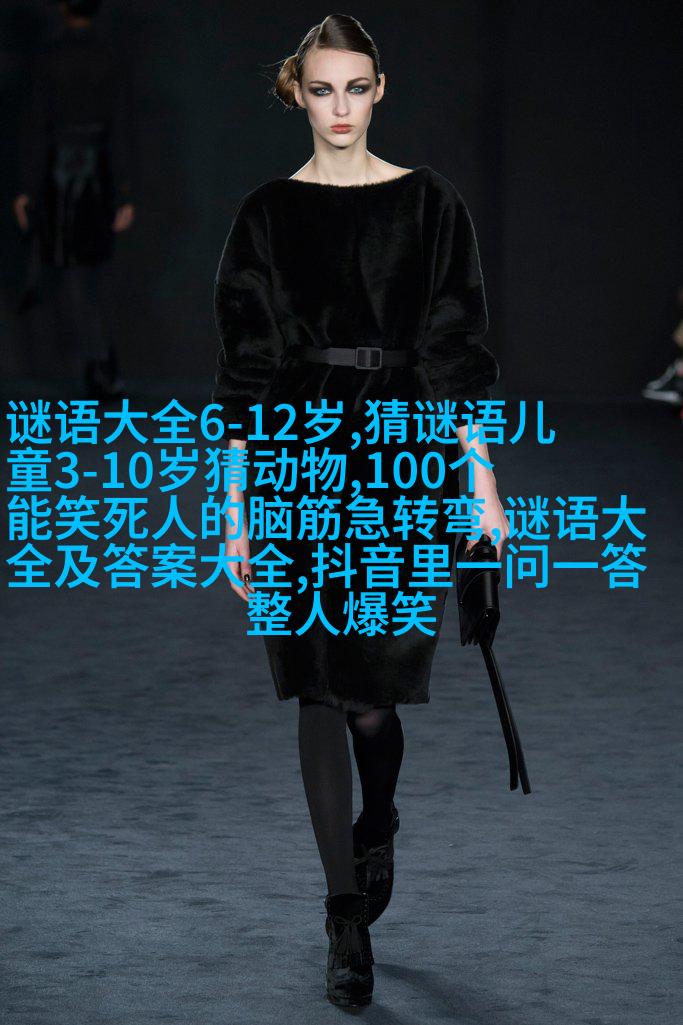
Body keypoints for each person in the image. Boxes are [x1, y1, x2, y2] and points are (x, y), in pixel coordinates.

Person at [211, 14, 509, 1009]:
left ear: (379, 89)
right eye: (321, 88)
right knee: (314, 685)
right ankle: (343, 913)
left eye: (355, 87)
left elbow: (453, 346)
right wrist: (234, 503)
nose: (338, 107)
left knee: (372, 696)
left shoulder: (429, 205)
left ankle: (376, 819)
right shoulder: (264, 215)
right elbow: (246, 366)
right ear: (294, 92)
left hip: (399, 453)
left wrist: (479, 479)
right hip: (295, 452)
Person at [12, 0, 135, 400]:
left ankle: (101, 365)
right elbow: (121, 128)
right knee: (88, 273)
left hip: (60, 178)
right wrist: (124, 193)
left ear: (64, 9)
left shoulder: (47, 59)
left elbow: (34, 126)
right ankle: (102, 365)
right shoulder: (109, 57)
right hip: (97, 176)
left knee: (73, 273)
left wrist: (26, 189)